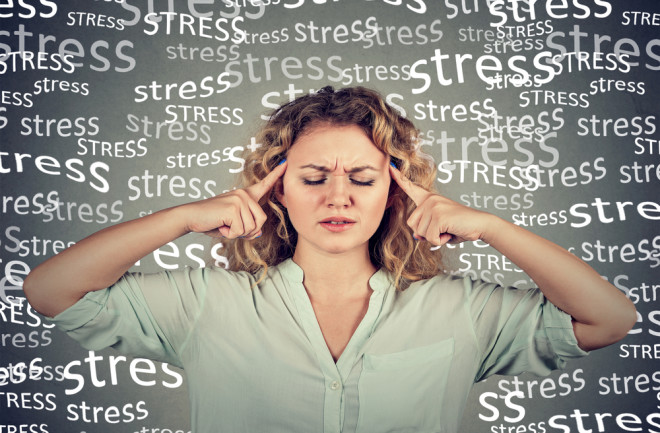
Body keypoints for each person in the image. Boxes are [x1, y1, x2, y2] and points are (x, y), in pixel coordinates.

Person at [24, 86, 636, 433]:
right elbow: (52, 291)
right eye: (313, 177)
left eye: (362, 179)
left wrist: (496, 229)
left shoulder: (462, 309)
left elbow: (609, 320)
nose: (337, 196)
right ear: (279, 188)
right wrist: (184, 217)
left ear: (394, 190)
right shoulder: (206, 302)